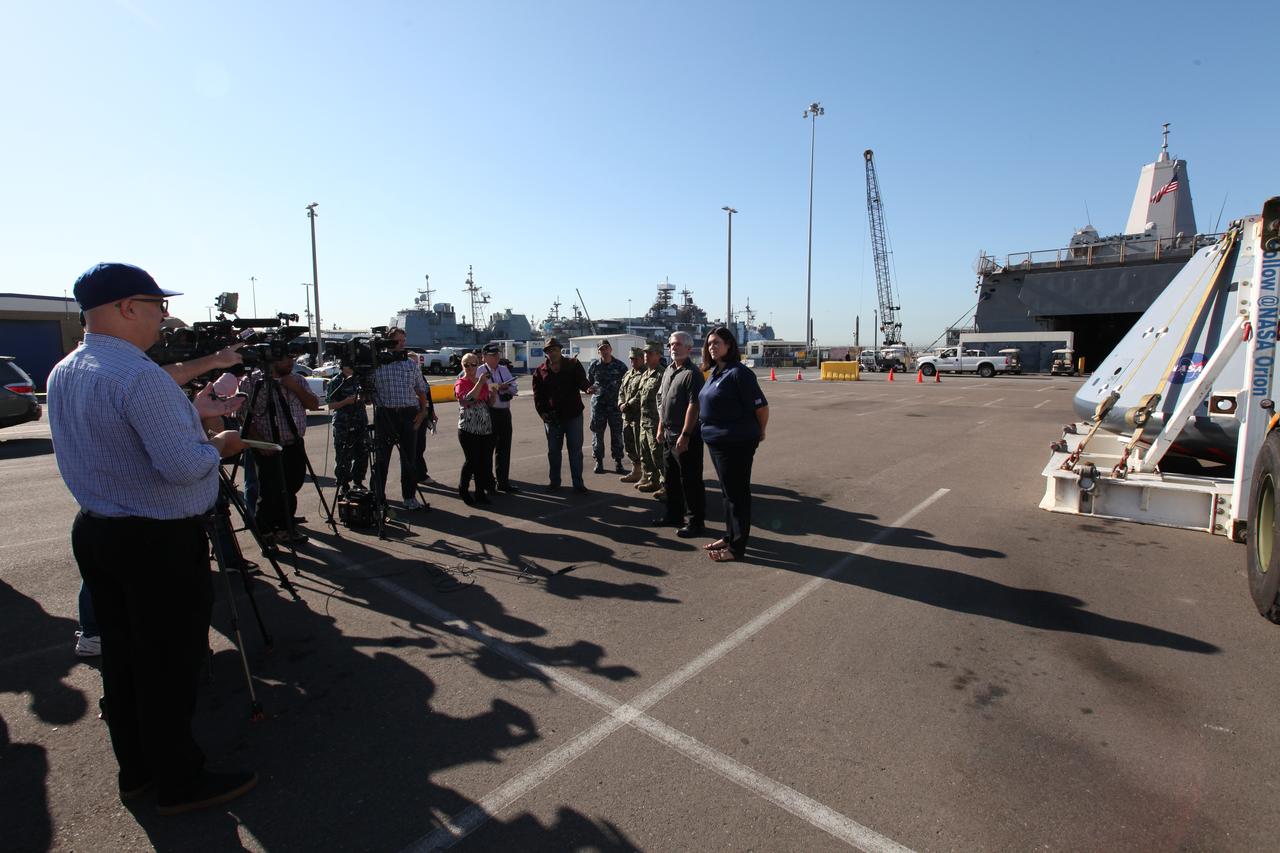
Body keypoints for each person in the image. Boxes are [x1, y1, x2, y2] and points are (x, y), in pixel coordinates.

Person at [46, 262, 257, 814]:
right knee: (168, 665)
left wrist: (193, 413)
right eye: (156, 305)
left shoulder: (67, 369)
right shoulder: (138, 375)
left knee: (124, 661)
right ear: (126, 308)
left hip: (98, 530)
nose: (165, 317)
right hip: (154, 543)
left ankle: (137, 773)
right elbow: (183, 467)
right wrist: (221, 444)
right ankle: (180, 780)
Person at [699, 326, 769, 562]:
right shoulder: (717, 372)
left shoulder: (739, 373)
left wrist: (760, 432)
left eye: (717, 342)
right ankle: (729, 536)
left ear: (729, 345)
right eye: (709, 343)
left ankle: (737, 548)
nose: (712, 347)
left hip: (736, 442)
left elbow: (761, 408)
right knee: (728, 493)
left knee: (737, 495)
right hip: (717, 442)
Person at [239, 353, 319, 544]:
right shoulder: (251, 381)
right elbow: (243, 415)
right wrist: (259, 442)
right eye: (285, 358)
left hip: (294, 443)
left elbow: (314, 404)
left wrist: (294, 387)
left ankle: (286, 527)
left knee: (292, 486)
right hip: (268, 446)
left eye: (292, 358)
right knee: (269, 491)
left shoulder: (298, 379)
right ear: (272, 360)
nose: (291, 362)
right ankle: (266, 531)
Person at [371, 327, 430, 510]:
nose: (402, 343)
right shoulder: (377, 364)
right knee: (381, 459)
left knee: (409, 458)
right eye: (398, 340)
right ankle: (377, 497)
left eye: (404, 340)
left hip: (408, 414)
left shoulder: (410, 365)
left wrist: (422, 412)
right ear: (388, 342)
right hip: (385, 414)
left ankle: (409, 497)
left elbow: (421, 389)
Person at [655, 330, 705, 537]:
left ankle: (695, 522)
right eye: (670, 345)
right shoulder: (668, 370)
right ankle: (673, 515)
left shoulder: (693, 374)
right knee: (671, 479)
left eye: (676, 344)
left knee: (690, 481)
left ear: (688, 348)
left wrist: (685, 434)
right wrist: (660, 427)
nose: (672, 347)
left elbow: (694, 405)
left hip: (684, 437)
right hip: (667, 434)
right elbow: (662, 401)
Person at [531, 336, 591, 493]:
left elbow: (582, 381)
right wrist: (542, 413)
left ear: (560, 350)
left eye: (555, 350)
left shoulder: (573, 364)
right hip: (552, 418)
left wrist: (588, 389)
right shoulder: (540, 371)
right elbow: (538, 396)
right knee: (554, 452)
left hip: (573, 415)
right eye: (550, 351)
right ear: (546, 353)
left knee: (575, 451)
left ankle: (578, 484)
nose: (553, 353)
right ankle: (554, 482)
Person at [477, 343, 520, 492]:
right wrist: (498, 386)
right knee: (487, 449)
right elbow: (481, 388)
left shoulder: (503, 369)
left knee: (504, 448)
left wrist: (504, 387)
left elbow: (515, 387)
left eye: (497, 355)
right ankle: (489, 484)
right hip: (489, 412)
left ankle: (503, 482)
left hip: (504, 412)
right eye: (493, 355)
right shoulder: (480, 371)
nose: (497, 357)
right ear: (484, 357)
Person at [454, 353, 496, 505]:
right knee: (472, 461)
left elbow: (487, 403)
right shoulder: (461, 382)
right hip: (468, 429)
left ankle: (480, 492)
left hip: (484, 428)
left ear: (477, 365)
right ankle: (463, 489)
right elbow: (468, 400)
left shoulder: (481, 382)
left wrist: (493, 395)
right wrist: (480, 383)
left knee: (483, 462)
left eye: (473, 365)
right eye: (466, 365)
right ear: (462, 366)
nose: (470, 368)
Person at [586, 339, 629, 475]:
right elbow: (589, 383)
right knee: (597, 434)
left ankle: (618, 462)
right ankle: (599, 461)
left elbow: (627, 385)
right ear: (599, 351)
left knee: (617, 435)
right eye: (601, 349)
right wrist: (589, 389)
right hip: (598, 406)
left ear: (611, 349)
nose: (604, 351)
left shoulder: (620, 366)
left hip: (615, 407)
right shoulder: (594, 366)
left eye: (606, 348)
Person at [326, 361, 368, 496]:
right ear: (342, 367)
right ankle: (343, 483)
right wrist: (346, 402)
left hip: (360, 421)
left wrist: (364, 398)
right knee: (344, 455)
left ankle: (358, 481)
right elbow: (330, 405)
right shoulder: (336, 381)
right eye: (350, 365)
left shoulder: (359, 379)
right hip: (343, 423)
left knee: (362, 453)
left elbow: (368, 400)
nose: (352, 367)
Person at [636, 341, 665, 494]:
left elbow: (665, 402)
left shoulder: (663, 374)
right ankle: (653, 481)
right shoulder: (645, 374)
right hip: (644, 421)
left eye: (650, 353)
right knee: (645, 454)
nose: (646, 356)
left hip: (655, 422)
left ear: (659, 355)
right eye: (645, 353)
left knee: (658, 455)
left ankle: (666, 486)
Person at [616, 346, 646, 483]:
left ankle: (647, 474)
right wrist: (621, 402)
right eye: (631, 359)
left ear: (642, 359)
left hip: (639, 416)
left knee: (642, 447)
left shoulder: (646, 373)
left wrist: (627, 405)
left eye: (635, 359)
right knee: (629, 445)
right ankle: (636, 471)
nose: (633, 361)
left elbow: (642, 394)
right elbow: (621, 390)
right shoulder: (628, 374)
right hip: (627, 417)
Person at [410, 353, 439, 486]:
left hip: (425, 414)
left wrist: (432, 412)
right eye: (413, 362)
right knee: (414, 447)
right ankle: (419, 475)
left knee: (420, 446)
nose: (416, 365)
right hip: (415, 416)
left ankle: (417, 474)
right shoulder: (409, 378)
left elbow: (428, 396)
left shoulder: (421, 377)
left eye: (417, 363)